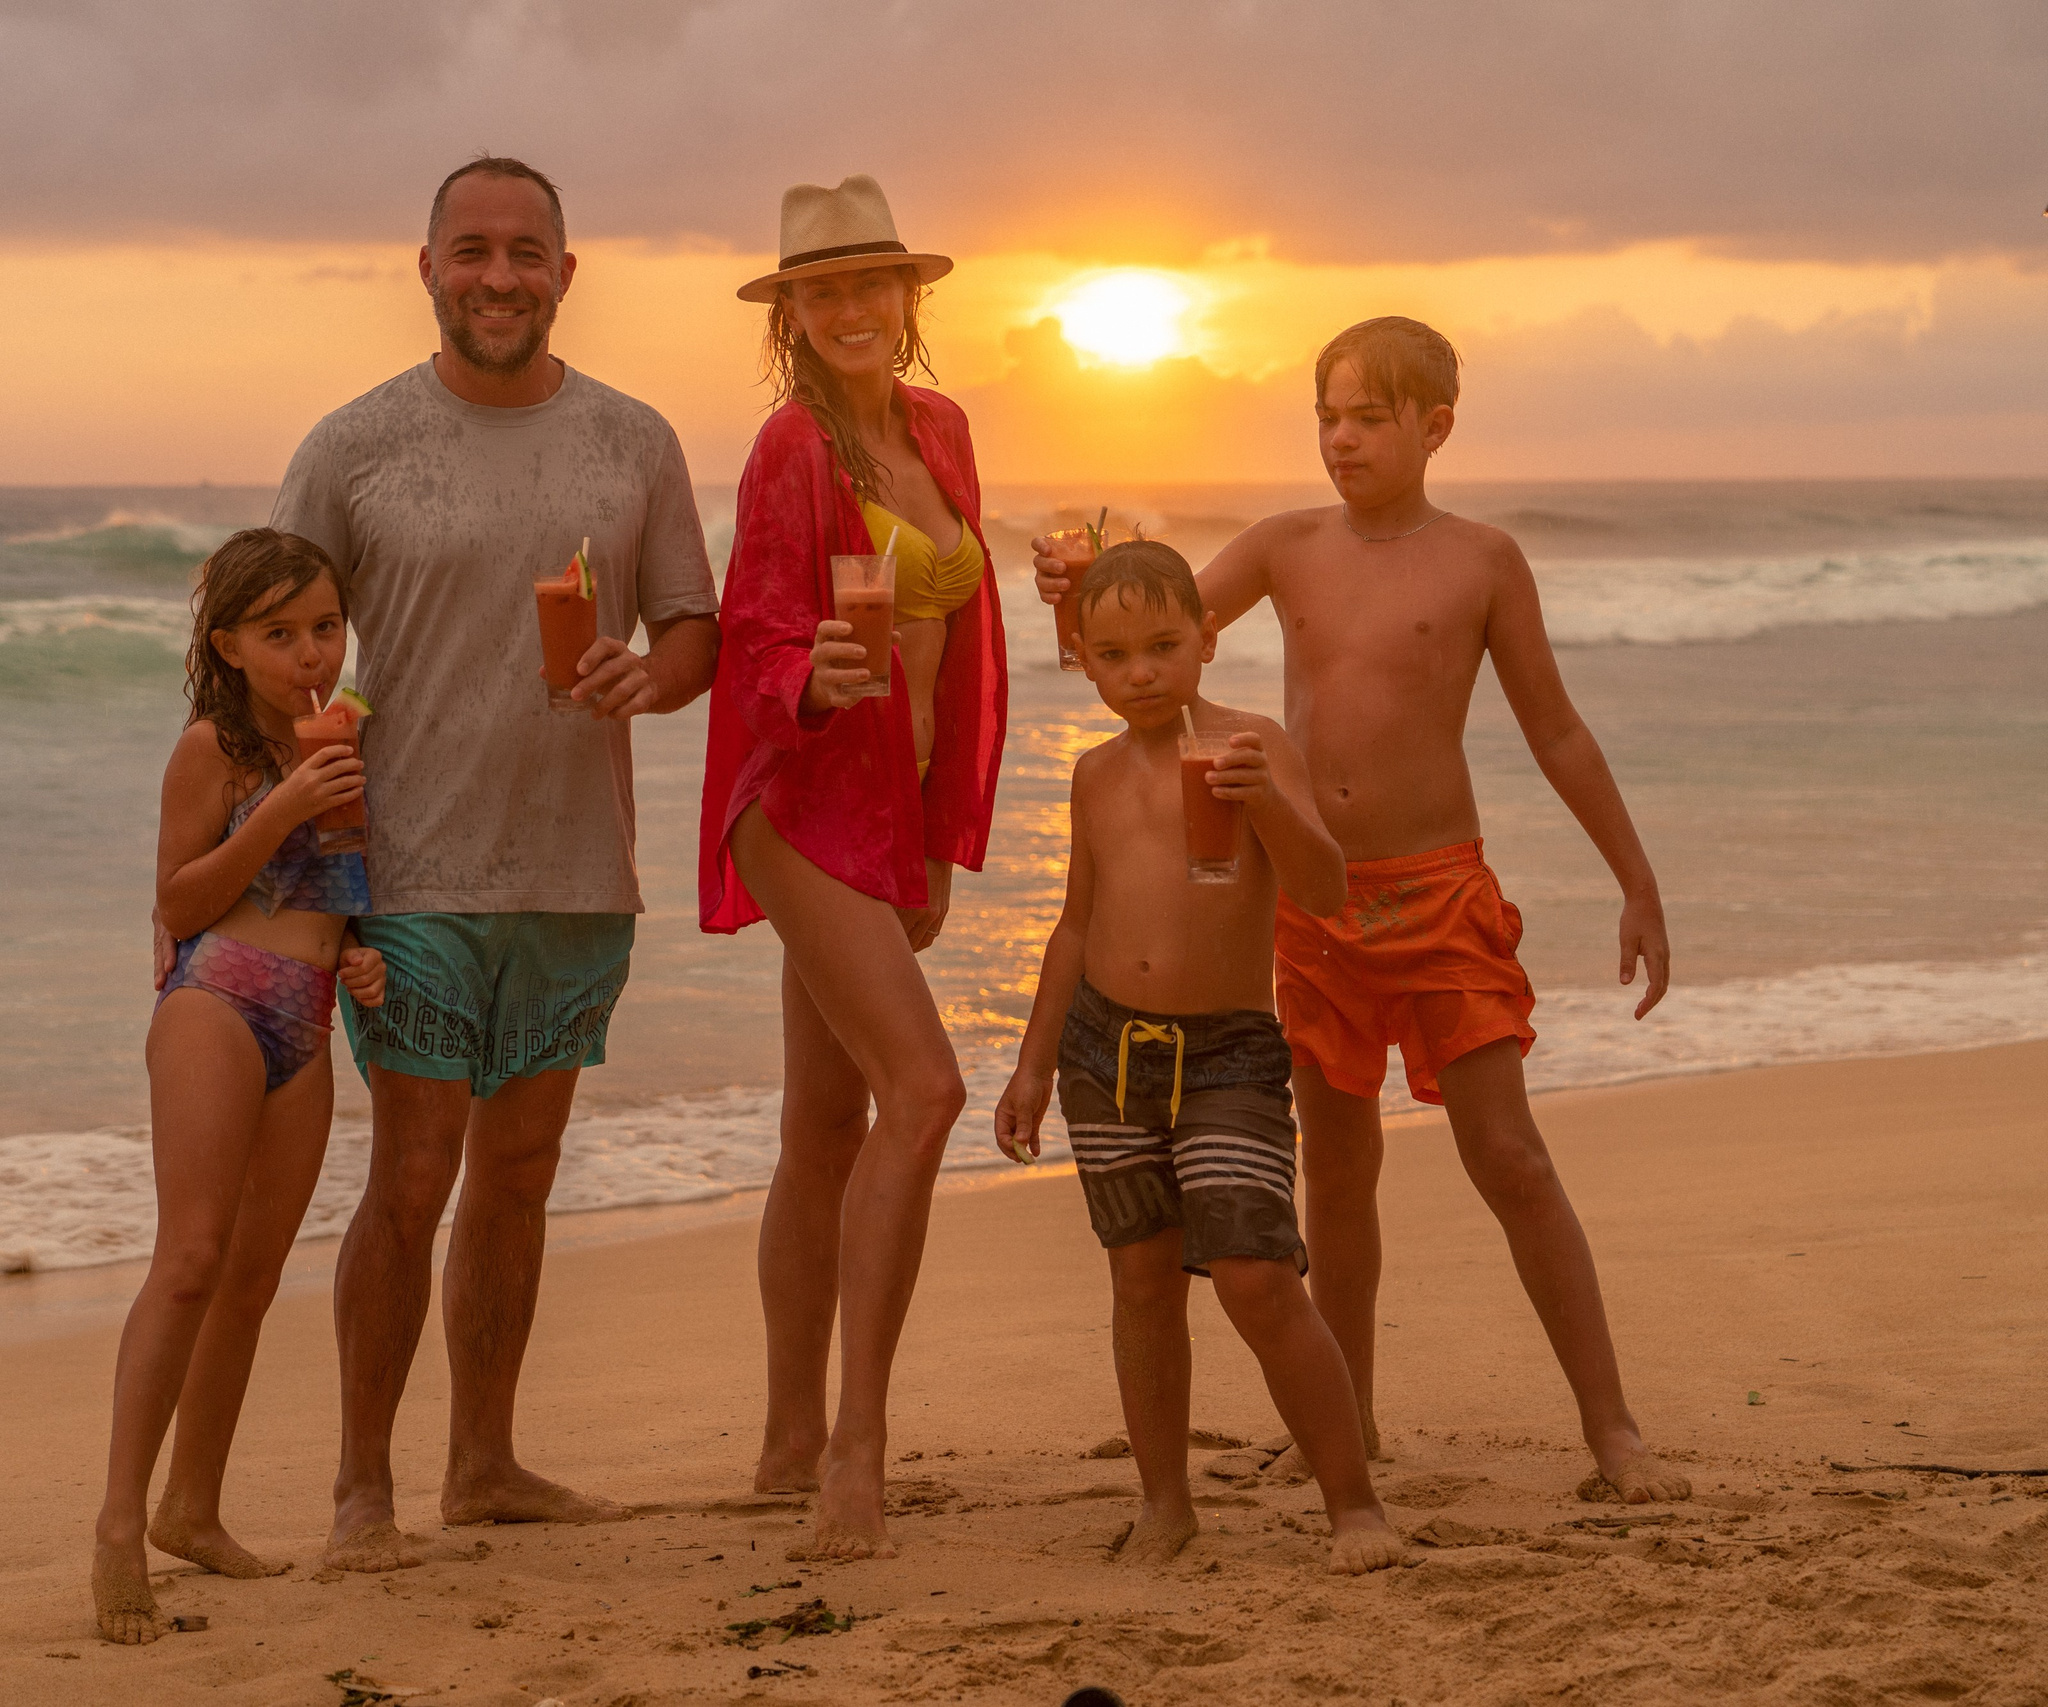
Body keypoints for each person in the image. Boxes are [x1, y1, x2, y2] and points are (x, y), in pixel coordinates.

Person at [1028, 317, 1690, 1503]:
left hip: (1438, 897)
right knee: (1335, 1175)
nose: (1341, 437)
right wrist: (1072, 587)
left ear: (1433, 427)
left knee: (1510, 1157)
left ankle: (1614, 1431)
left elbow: (1556, 730)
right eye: (1325, 415)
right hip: (1313, 907)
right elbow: (1144, 629)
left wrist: (1634, 880)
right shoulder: (1286, 547)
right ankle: (1356, 1418)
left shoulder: (1482, 561)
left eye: (1367, 416)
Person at [266, 156, 721, 1575]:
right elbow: (272, 652)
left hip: (581, 873)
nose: (500, 276)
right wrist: (284, 861)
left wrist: (652, 678)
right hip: (408, 873)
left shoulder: (634, 441)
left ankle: (485, 1462)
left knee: (520, 1176)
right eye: (473, 250)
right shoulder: (355, 447)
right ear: (427, 268)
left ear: (568, 274)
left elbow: (693, 625)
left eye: (528, 252)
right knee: (411, 1178)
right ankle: (359, 1489)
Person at [697, 174, 1008, 1560]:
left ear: (909, 298)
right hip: (806, 799)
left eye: (869, 284)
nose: (847, 309)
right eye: (819, 291)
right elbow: (753, 627)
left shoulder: (941, 431)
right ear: (793, 317)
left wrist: (945, 829)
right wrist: (808, 676)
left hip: (893, 811)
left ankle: (780, 1436)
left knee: (824, 1129)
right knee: (926, 1089)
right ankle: (854, 1449)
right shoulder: (790, 447)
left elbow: (970, 636)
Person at [994, 541, 1406, 1574]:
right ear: (1082, 662)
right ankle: (1164, 1502)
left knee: (1257, 1277)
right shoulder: (1091, 776)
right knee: (1139, 1280)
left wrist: (1265, 796)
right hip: (1106, 1053)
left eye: (1164, 647)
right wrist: (1034, 1064)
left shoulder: (1252, 746)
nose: (1141, 672)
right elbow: (1074, 928)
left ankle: (1352, 1504)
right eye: (1115, 654)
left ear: (1208, 642)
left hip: (1225, 1052)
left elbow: (1321, 888)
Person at [96, 528, 390, 1644]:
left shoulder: (351, 735)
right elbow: (180, 903)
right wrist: (277, 803)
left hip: (307, 1015)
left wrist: (357, 950)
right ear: (228, 643)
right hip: (215, 1000)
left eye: (324, 625)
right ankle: (119, 1525)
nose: (310, 649)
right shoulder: (210, 748)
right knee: (190, 1262)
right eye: (280, 633)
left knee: (255, 1280)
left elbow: (339, 889)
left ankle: (193, 1509)